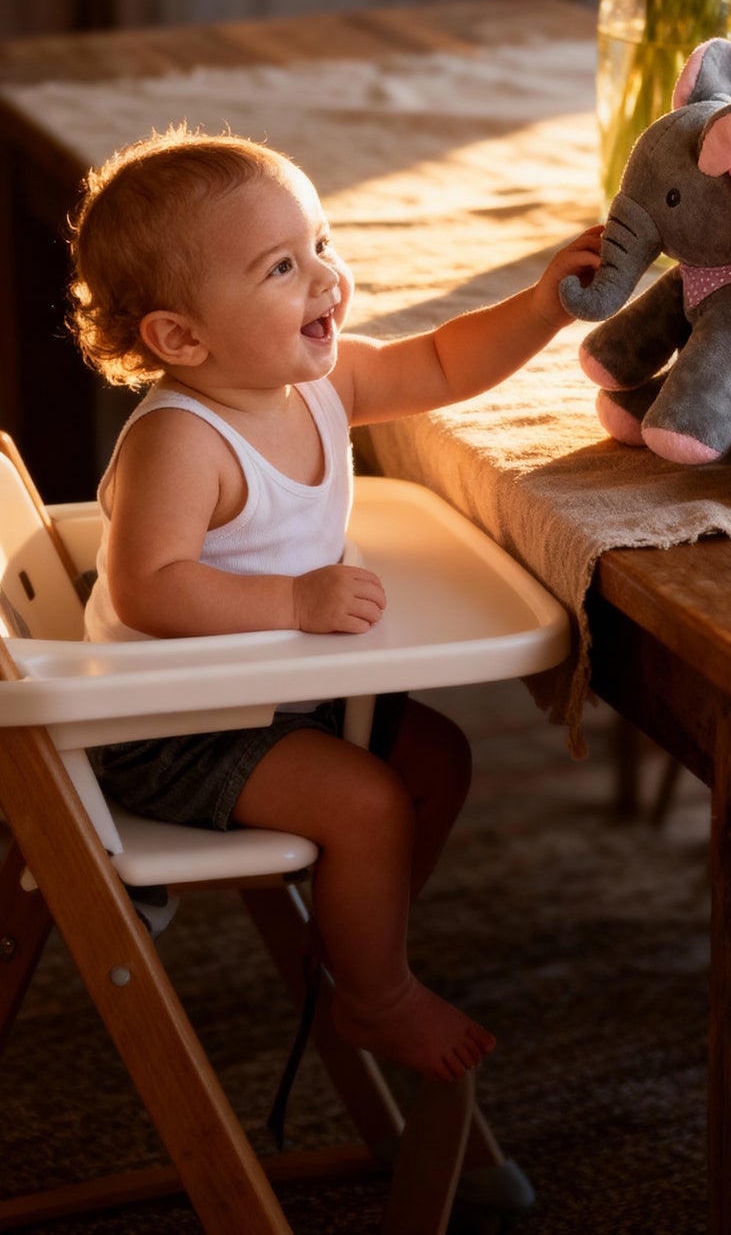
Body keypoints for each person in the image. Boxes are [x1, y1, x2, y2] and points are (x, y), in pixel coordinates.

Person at [67, 126, 601, 1082]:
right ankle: (376, 996)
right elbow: (150, 588)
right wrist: (296, 599)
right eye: (281, 266)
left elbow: (439, 364)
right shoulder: (182, 442)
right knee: (364, 803)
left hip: (270, 693)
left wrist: (541, 308)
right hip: (168, 725)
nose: (325, 278)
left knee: (436, 761)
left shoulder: (316, 383)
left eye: (322, 243)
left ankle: (353, 945)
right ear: (180, 338)